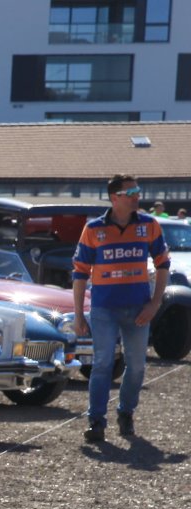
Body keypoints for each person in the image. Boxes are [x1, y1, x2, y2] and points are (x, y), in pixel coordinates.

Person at [73, 174, 168, 443]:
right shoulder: (93, 229)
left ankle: (126, 412)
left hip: (138, 308)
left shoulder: (149, 225)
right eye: (131, 192)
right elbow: (80, 273)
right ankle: (96, 421)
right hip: (103, 309)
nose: (138, 196)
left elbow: (163, 264)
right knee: (102, 363)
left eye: (138, 191)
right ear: (115, 198)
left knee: (136, 366)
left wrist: (155, 303)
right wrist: (79, 315)